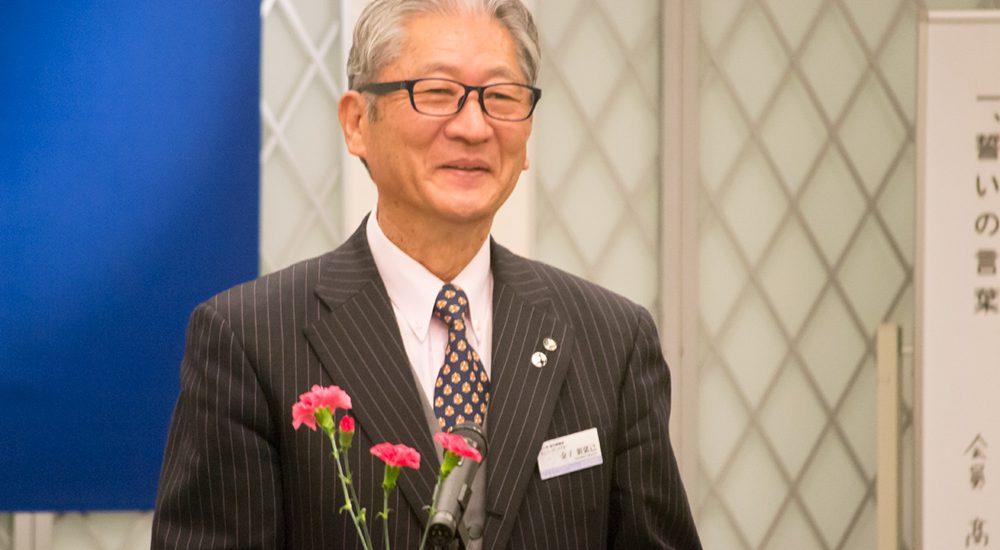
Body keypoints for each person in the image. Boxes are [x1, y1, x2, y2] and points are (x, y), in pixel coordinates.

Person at [151, 0, 701, 548]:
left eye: (501, 97)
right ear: (357, 122)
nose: (473, 127)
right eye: (437, 93)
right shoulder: (249, 340)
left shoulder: (612, 339)